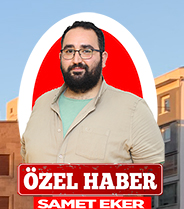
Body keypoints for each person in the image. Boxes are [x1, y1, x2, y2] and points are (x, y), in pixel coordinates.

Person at [21, 20, 164, 165]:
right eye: (69, 51)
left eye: (86, 51)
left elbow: (151, 181)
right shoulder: (40, 105)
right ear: (60, 57)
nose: (76, 60)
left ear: (103, 59)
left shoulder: (134, 110)